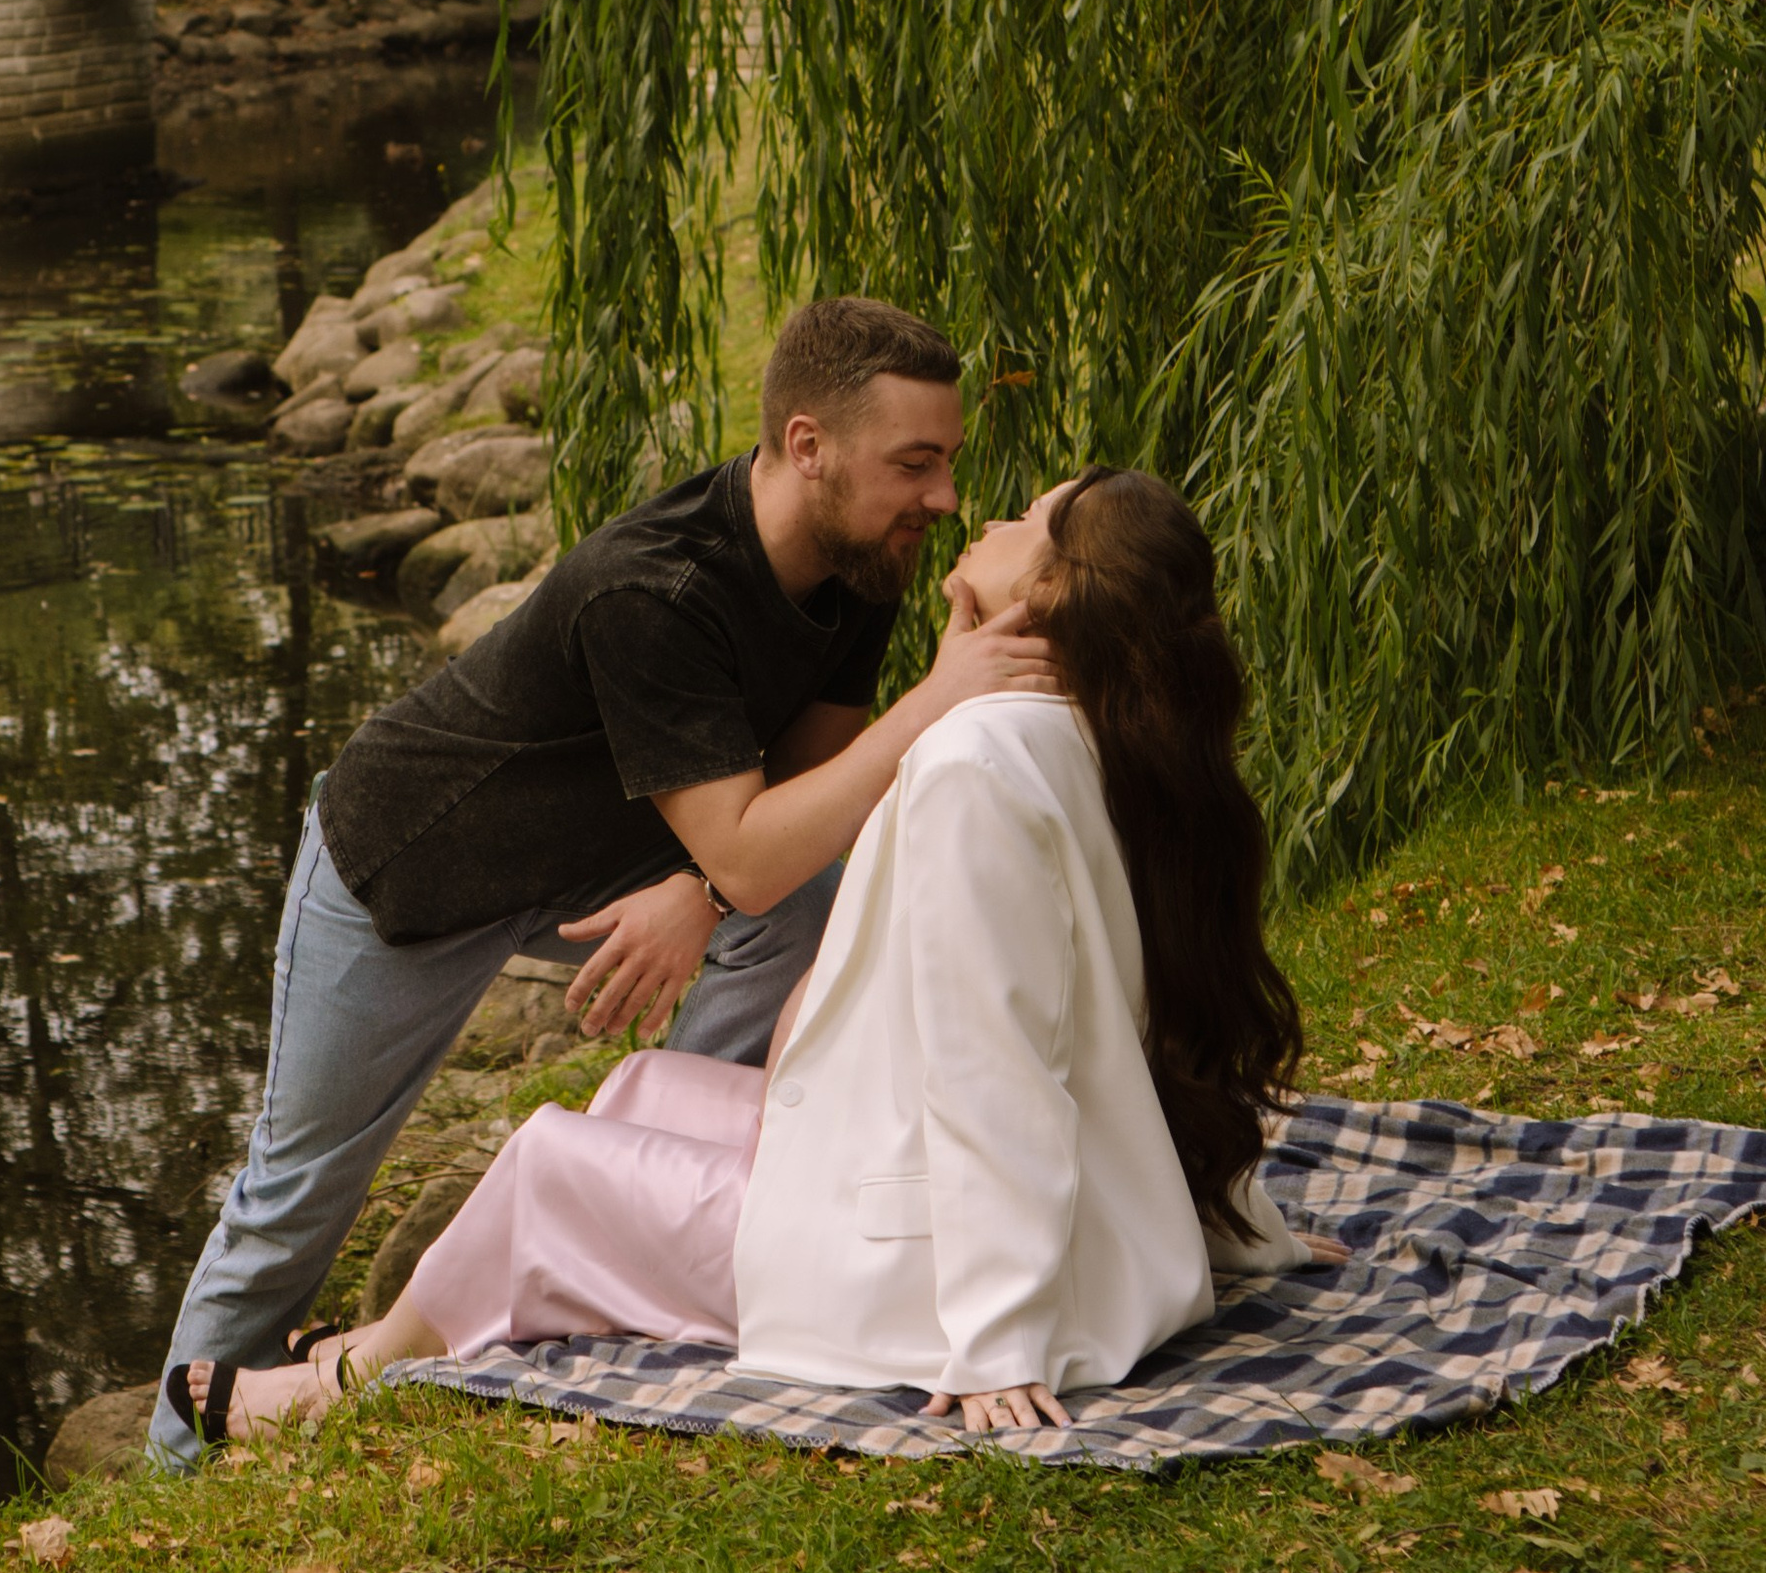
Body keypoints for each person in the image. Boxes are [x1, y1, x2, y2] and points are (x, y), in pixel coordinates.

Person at [187, 466, 1318, 1443]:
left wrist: (996, 1340)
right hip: (946, 1182)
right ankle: (376, 1339)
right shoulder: (1098, 726)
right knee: (640, 1085)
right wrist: (1234, 1228)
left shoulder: (976, 762)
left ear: (1054, 590)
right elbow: (1165, 1013)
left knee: (547, 1164)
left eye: (1024, 519)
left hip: (922, 1270)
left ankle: (343, 1381)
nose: (977, 515)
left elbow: (995, 1064)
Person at [150, 295, 1061, 1466]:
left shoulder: (857, 566)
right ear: (807, 446)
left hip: (603, 862)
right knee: (295, 1198)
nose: (942, 496)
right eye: (915, 463)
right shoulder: (656, 590)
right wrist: (936, 700)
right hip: (408, 873)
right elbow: (749, 846)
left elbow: (800, 801)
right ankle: (174, 1466)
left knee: (802, 894)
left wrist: (707, 887)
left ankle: (669, 1213)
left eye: (946, 462)